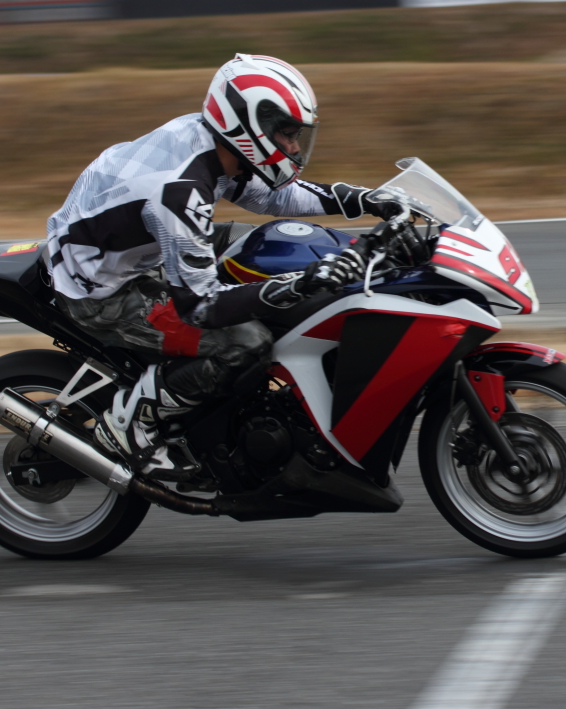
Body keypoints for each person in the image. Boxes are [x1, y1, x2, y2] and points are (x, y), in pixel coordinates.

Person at [46, 53, 394, 481]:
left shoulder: (214, 142)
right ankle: (131, 424)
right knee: (246, 343)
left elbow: (275, 198)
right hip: (104, 291)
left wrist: (367, 199)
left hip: (130, 247)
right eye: (286, 133)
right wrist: (301, 283)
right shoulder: (181, 192)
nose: (294, 147)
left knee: (270, 244)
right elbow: (202, 307)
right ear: (249, 125)